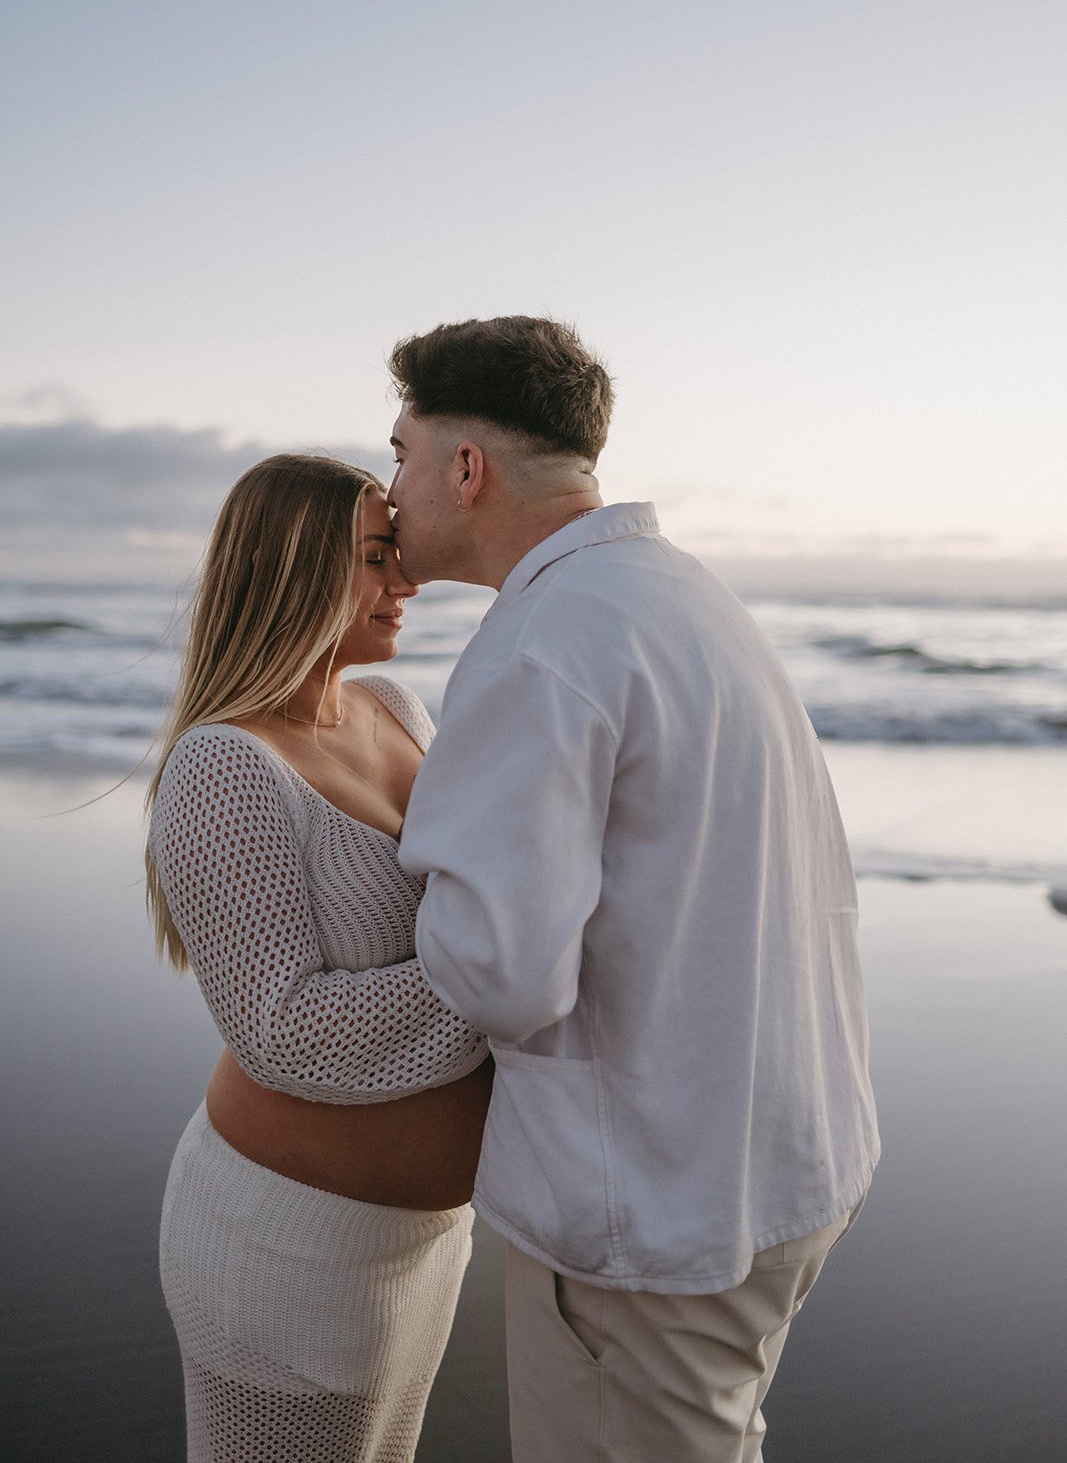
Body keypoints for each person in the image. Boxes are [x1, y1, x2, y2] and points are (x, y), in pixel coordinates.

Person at [386, 317, 881, 1463]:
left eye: (402, 452)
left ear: (467, 470)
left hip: (655, 1206)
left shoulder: (540, 644)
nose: (390, 487)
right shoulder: (684, 597)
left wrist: (397, 867)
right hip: (783, 1161)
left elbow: (496, 973)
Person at [145, 453, 493, 1463]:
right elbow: (282, 1031)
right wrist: (503, 972)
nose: (408, 578)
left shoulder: (394, 709)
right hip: (286, 1246)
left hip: (420, 1245)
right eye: (379, 555)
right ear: (296, 565)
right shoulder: (225, 761)